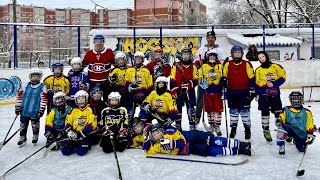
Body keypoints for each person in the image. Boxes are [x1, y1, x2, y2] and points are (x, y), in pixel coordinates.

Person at [143, 119, 252, 157]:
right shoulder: (154, 146)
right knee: (210, 151)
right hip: (190, 150)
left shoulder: (169, 133)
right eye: (155, 133)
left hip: (191, 137)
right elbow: (146, 150)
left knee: (214, 141)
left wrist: (175, 144)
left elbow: (182, 141)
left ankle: (241, 145)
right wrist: (146, 136)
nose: (159, 134)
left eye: (160, 132)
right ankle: (240, 151)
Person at [221, 45, 255, 140]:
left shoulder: (246, 63)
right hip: (231, 92)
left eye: (239, 52)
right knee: (233, 112)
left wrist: (252, 89)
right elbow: (224, 75)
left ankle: (247, 129)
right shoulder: (228, 64)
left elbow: (251, 77)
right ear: (232, 54)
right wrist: (223, 79)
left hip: (244, 92)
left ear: (242, 54)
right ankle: (233, 128)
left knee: (245, 112)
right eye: (235, 52)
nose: (237, 54)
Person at [194, 31, 224, 125]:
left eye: (212, 37)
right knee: (200, 97)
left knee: (214, 98)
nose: (210, 39)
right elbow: (195, 61)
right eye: (209, 37)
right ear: (206, 38)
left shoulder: (219, 50)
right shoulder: (202, 49)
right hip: (203, 77)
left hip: (214, 78)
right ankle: (198, 116)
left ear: (215, 39)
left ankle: (214, 120)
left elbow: (221, 63)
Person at [255, 51, 286, 142]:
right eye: (259, 58)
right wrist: (257, 94)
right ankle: (266, 131)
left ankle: (283, 131)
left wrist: (274, 84)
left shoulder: (276, 66)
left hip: (275, 95)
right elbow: (257, 83)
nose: (262, 59)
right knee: (265, 113)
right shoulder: (258, 70)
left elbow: (283, 77)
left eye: (263, 56)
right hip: (263, 96)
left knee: (278, 114)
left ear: (266, 56)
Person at [15, 68, 48, 146]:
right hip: (24, 110)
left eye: (37, 76)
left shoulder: (42, 87)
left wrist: (42, 109)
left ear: (40, 77)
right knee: (23, 125)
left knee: (35, 125)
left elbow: (44, 99)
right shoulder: (25, 85)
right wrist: (17, 106)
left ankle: (35, 136)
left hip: (35, 111)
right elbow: (19, 97)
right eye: (33, 76)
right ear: (30, 77)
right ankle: (22, 137)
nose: (35, 78)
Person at [276, 91, 315, 156]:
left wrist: (310, 135)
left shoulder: (307, 112)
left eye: (298, 98)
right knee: (281, 129)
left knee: (302, 149)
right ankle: (281, 145)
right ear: (290, 100)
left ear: (301, 99)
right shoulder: (285, 110)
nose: (296, 101)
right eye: (294, 99)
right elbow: (280, 120)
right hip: (290, 129)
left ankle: (296, 141)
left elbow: (310, 124)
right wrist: (278, 121)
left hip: (301, 133)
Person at [61, 90, 97, 156]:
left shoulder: (90, 109)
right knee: (65, 151)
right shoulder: (73, 110)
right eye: (79, 98)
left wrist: (83, 132)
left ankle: (79, 143)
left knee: (80, 152)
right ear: (76, 100)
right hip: (74, 133)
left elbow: (92, 123)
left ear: (86, 99)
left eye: (83, 98)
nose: (81, 100)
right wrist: (69, 131)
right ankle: (73, 143)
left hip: (85, 135)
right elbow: (68, 122)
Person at [170, 47, 198, 130]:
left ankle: (192, 125)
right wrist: (174, 89)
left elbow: (196, 78)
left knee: (191, 108)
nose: (186, 56)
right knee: (178, 109)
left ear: (190, 55)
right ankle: (178, 125)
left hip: (189, 91)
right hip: (179, 91)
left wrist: (190, 84)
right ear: (181, 55)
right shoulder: (176, 65)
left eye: (187, 54)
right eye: (184, 54)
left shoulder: (194, 66)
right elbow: (172, 77)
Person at [198, 49, 223, 135]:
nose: (212, 58)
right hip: (207, 91)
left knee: (217, 108)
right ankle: (211, 124)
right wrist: (202, 82)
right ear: (208, 57)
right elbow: (199, 76)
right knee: (209, 108)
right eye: (210, 56)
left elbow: (223, 75)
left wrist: (223, 80)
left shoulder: (219, 66)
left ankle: (217, 125)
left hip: (217, 90)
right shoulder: (204, 66)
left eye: (214, 56)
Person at [82, 34, 115, 100]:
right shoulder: (89, 53)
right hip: (92, 83)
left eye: (101, 41)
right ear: (94, 42)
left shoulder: (109, 53)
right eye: (97, 41)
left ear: (103, 42)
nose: (99, 43)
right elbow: (83, 65)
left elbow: (116, 65)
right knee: (91, 102)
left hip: (105, 83)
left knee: (107, 101)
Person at [125, 51, 153, 117]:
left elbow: (150, 85)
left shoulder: (147, 70)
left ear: (143, 60)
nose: (138, 60)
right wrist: (129, 87)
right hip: (132, 95)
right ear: (134, 59)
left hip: (143, 95)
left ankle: (143, 125)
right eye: (137, 58)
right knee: (129, 114)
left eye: (140, 58)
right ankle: (129, 125)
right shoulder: (129, 70)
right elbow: (127, 82)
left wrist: (148, 96)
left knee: (144, 114)